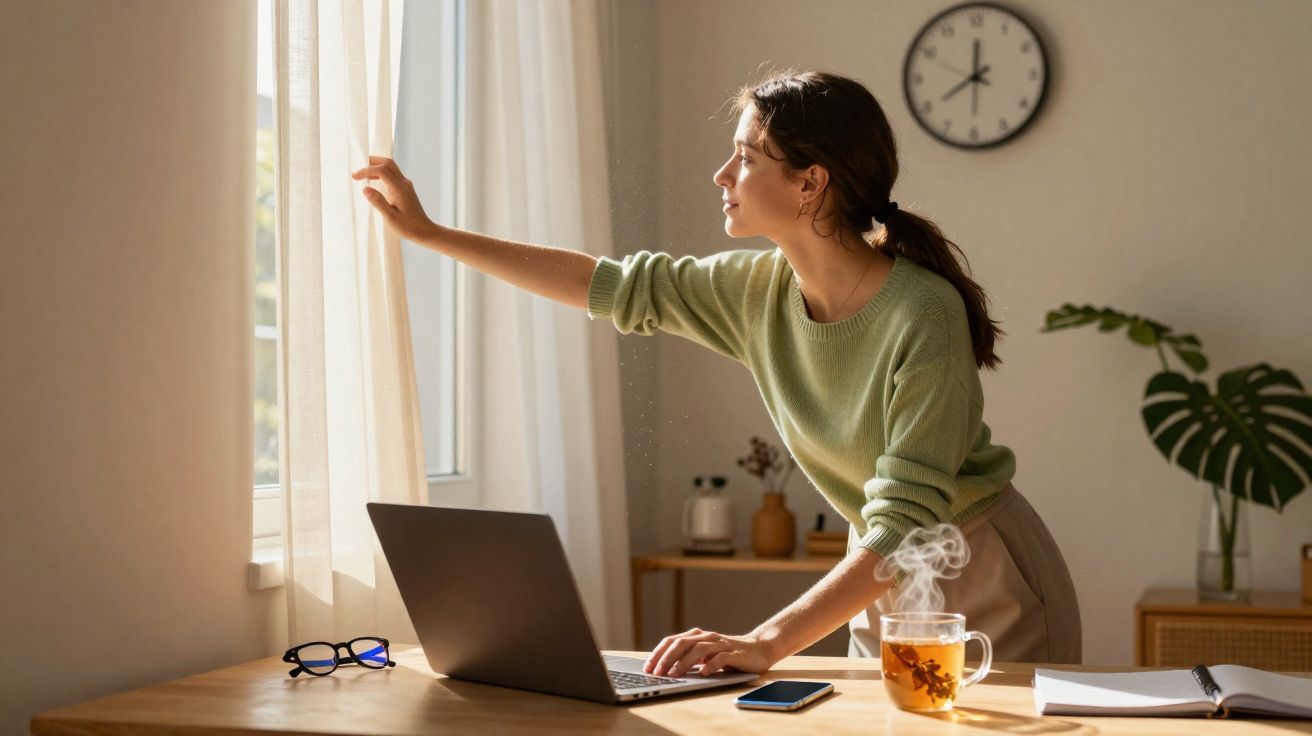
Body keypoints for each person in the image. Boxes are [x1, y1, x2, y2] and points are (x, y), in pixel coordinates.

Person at [352, 67, 1082, 679]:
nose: (722, 174)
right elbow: (605, 285)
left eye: (746, 157)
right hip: (880, 579)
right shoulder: (753, 291)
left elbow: (907, 521)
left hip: (982, 580)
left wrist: (767, 641)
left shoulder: (922, 313)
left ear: (810, 184)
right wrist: (431, 235)